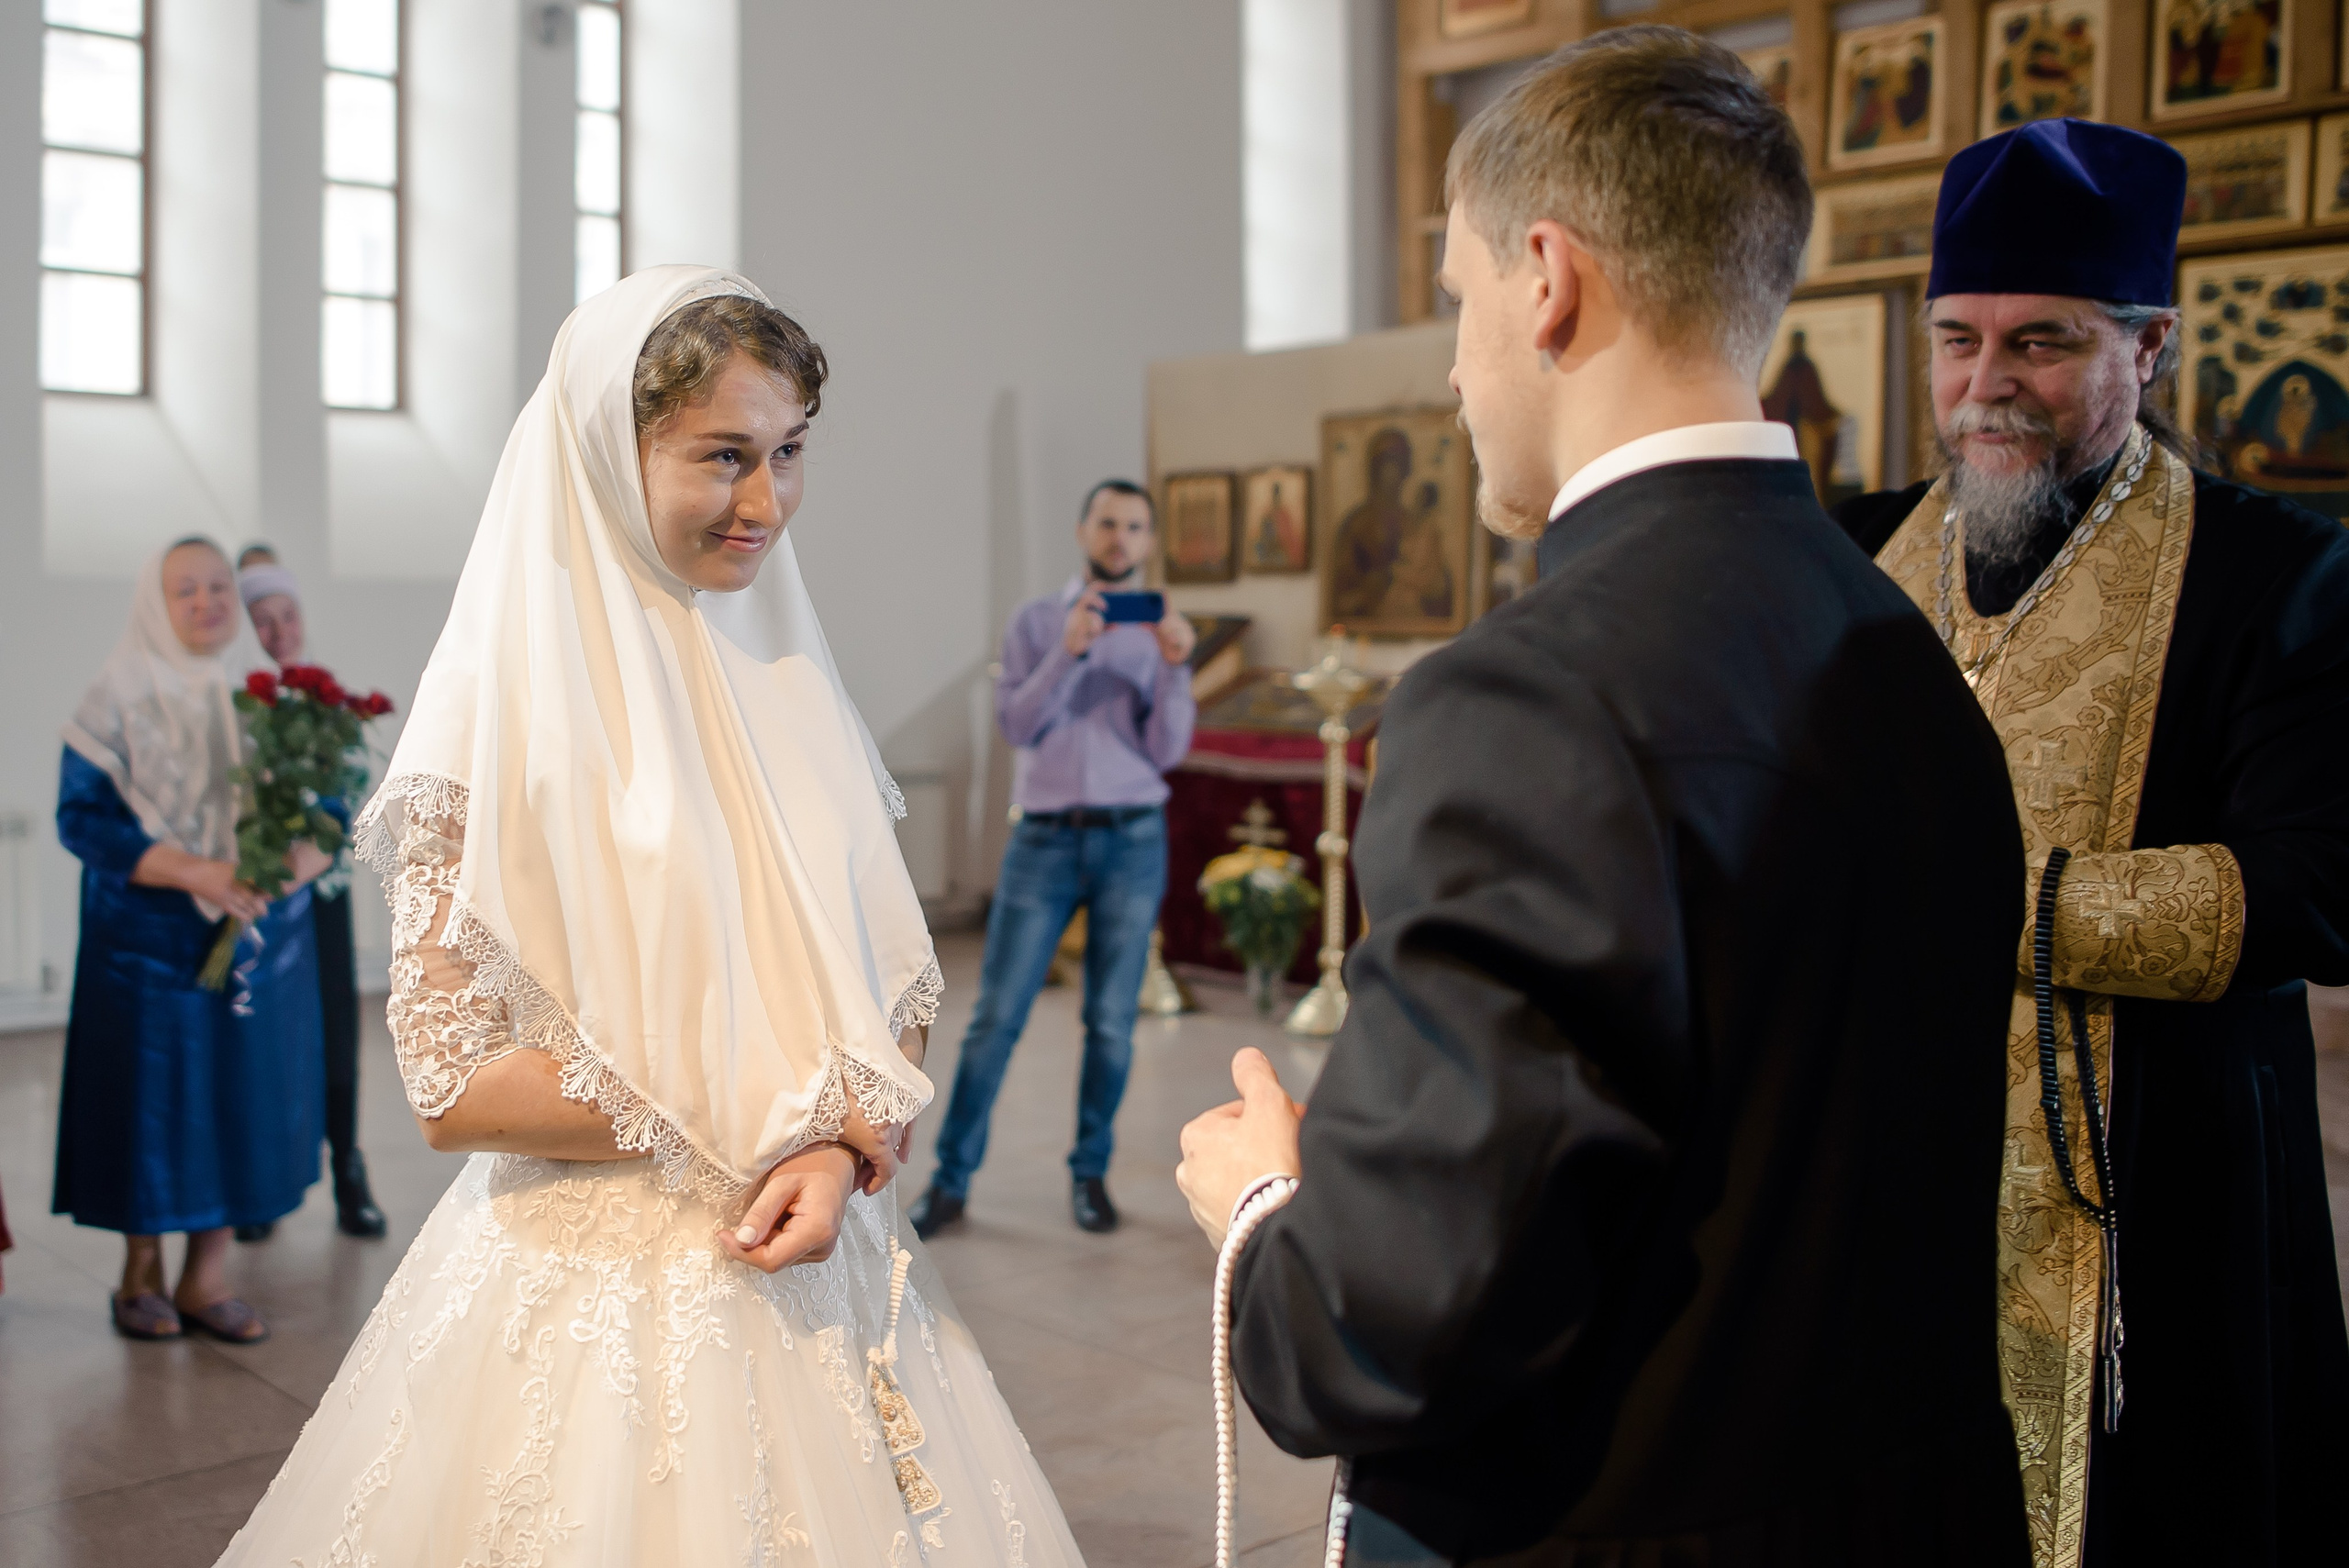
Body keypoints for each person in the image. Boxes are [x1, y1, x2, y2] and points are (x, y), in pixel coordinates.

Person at [1176, 28, 2031, 1563]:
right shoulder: (1904, 648)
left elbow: (1377, 1331)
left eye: (1456, 298)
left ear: (1547, 279)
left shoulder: (1525, 696)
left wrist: (1266, 1203)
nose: (1451, 365)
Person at [215, 268, 1083, 1567]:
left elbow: (871, 1019)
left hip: (825, 1267)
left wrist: (841, 1155)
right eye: (723, 455)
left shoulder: (784, 686)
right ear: (607, 458)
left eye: (790, 453)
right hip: (596, 1306)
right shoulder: (489, 726)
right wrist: (783, 1115)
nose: (766, 503)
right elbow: (452, 1085)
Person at [1831, 118, 2349, 1568]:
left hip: (2159, 1201)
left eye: (2042, 342)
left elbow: (2317, 885)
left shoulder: (2280, 575)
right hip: (1882, 1176)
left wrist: (1958, 906)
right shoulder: (1852, 551)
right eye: (1956, 339)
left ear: (2151, 344)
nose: (1986, 386)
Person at [54, 537, 328, 1345]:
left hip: (252, 934)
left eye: (219, 587)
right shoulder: (116, 694)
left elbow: (328, 812)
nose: (209, 602)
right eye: (188, 590)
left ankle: (207, 1274)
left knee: (234, 1097)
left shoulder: (268, 697)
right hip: (145, 937)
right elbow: (84, 819)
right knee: (154, 1099)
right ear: (157, 603)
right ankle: (141, 1268)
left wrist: (274, 876)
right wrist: (194, 871)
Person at [906, 480, 1197, 1239]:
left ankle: (1090, 1175)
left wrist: (1177, 668)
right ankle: (951, 1179)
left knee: (1110, 1022)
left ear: (1148, 542)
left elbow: (1166, 750)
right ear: (1083, 529)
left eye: (1135, 527)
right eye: (1108, 522)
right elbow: (1017, 724)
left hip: (1134, 837)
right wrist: (1069, 652)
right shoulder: (1038, 621)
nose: (1119, 537)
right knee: (996, 1017)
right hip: (1044, 839)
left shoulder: (1159, 632)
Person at [228, 547, 387, 1241]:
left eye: (285, 614)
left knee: (332, 1034)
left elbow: (346, 797)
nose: (277, 630)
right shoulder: (240, 705)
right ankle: (259, 1183)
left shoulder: (329, 704)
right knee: (259, 1035)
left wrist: (303, 854)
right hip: (259, 892)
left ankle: (347, 1170)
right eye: (261, 620)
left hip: (316, 895)